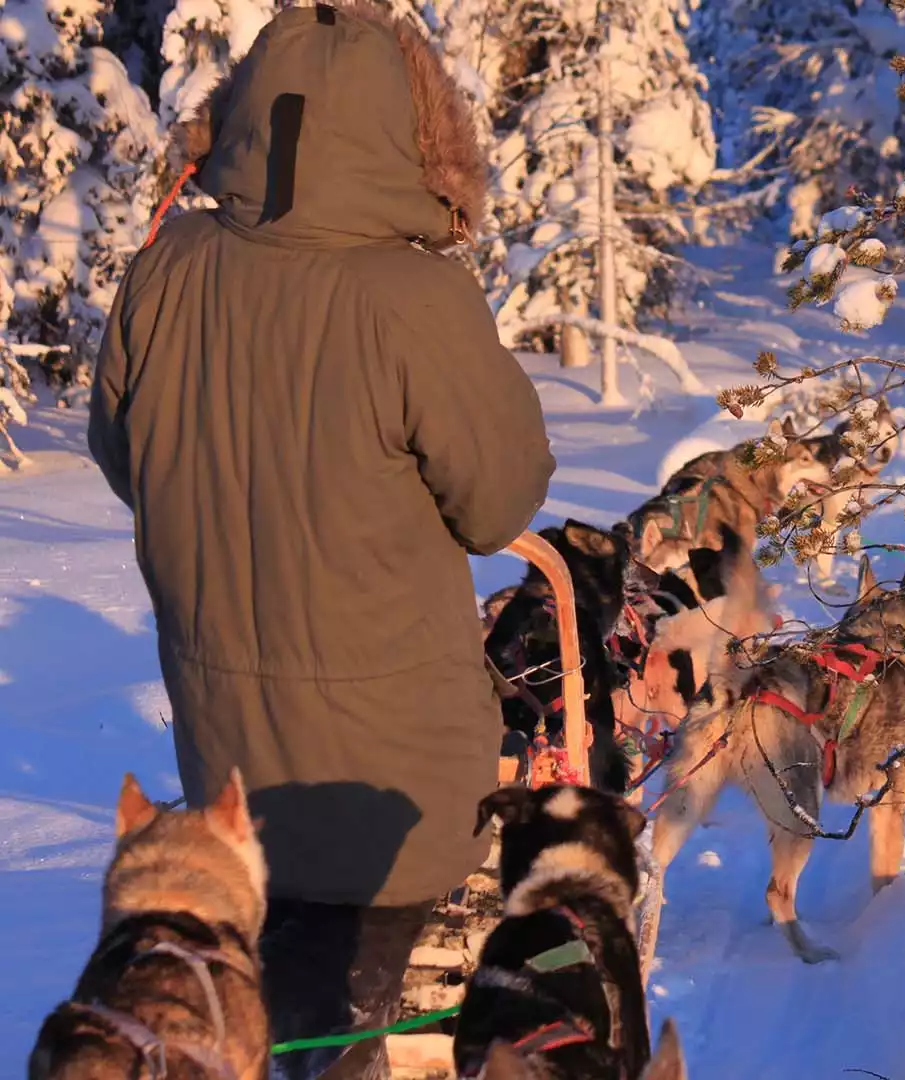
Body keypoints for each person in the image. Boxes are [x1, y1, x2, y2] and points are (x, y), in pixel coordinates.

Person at [86, 4, 555, 1076]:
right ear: (413, 133)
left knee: (271, 999)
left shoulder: (167, 268)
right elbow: (497, 502)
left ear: (249, 115)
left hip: (229, 753)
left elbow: (128, 462)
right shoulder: (414, 295)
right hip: (394, 773)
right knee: (339, 1020)